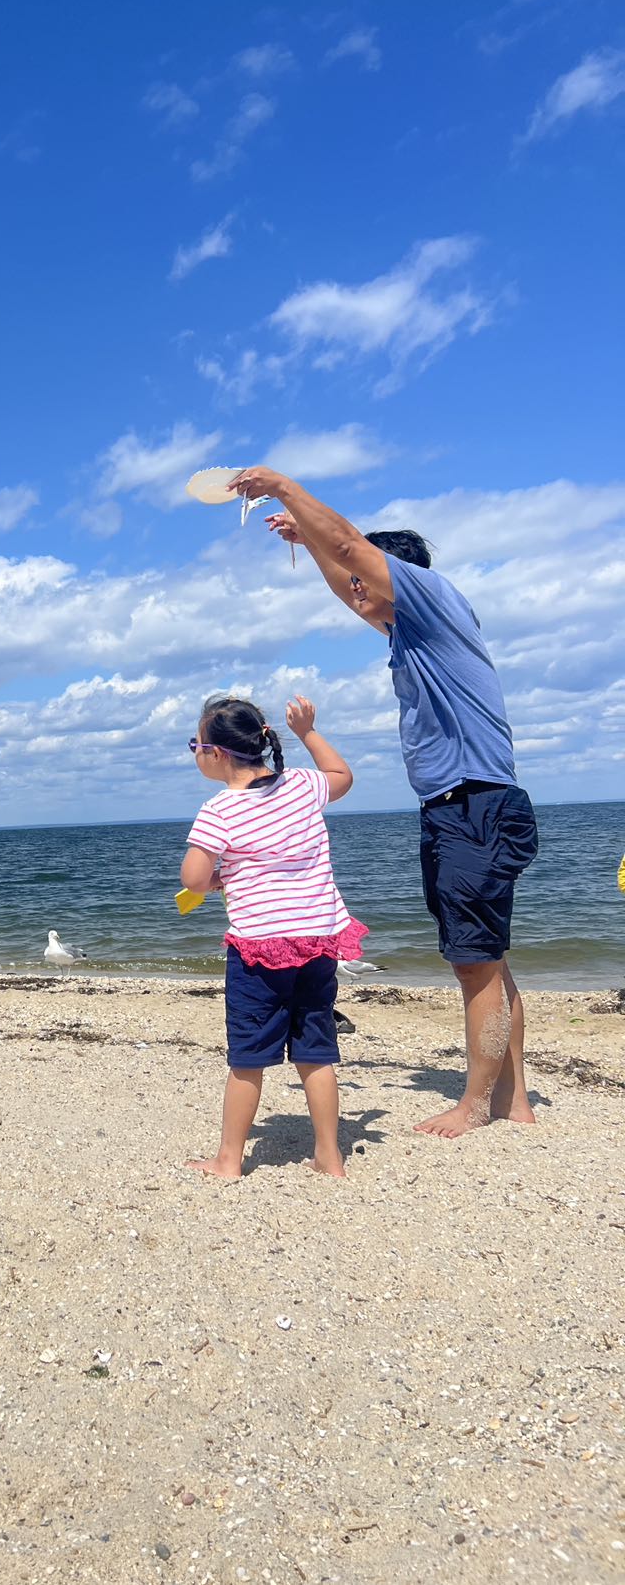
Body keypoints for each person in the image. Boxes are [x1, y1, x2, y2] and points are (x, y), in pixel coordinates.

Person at [228, 467, 539, 1139]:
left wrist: (285, 490)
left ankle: (477, 1104)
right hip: (462, 806)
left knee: (474, 959)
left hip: (474, 805)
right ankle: (515, 1098)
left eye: (370, 576)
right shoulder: (411, 634)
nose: (358, 592)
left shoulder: (431, 597)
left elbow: (349, 551)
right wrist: (310, 543)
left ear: (402, 575)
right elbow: (349, 578)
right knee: (488, 955)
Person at [180, 692, 366, 1181]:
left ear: (216, 753)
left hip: (259, 949)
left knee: (248, 1059)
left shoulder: (220, 810)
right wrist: (307, 733)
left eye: (194, 745)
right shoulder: (304, 786)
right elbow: (343, 778)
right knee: (316, 1049)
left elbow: (193, 879)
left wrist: (220, 878)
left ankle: (229, 1160)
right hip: (317, 942)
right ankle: (330, 1155)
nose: (195, 753)